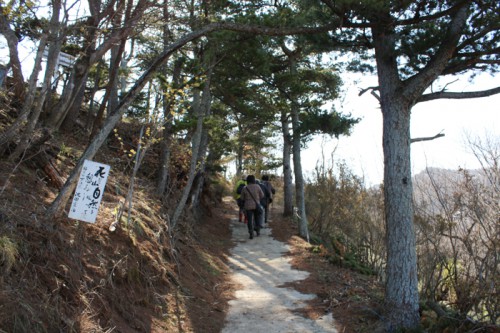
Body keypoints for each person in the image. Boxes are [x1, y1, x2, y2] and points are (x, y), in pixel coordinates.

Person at [240, 175, 264, 239]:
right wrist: (257, 199)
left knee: (249, 220)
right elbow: (262, 195)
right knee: (257, 218)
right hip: (256, 205)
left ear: (247, 180)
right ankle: (257, 231)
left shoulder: (245, 188)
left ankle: (251, 233)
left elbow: (242, 198)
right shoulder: (257, 186)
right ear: (254, 180)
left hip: (248, 206)